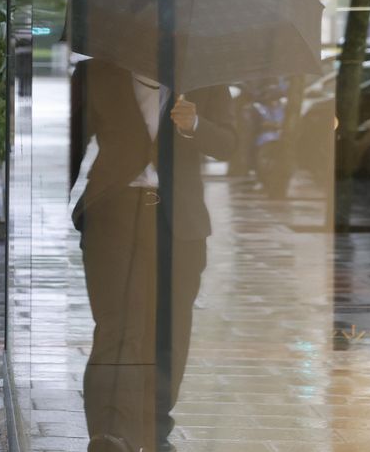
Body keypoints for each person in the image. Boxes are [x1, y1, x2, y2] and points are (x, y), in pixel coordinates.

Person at [70, 59, 236, 452]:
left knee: (169, 330)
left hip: (179, 220)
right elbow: (73, 145)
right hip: (114, 210)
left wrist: (195, 124)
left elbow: (229, 144)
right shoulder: (97, 73)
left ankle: (153, 427)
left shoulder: (204, 75)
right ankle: (109, 432)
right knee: (116, 326)